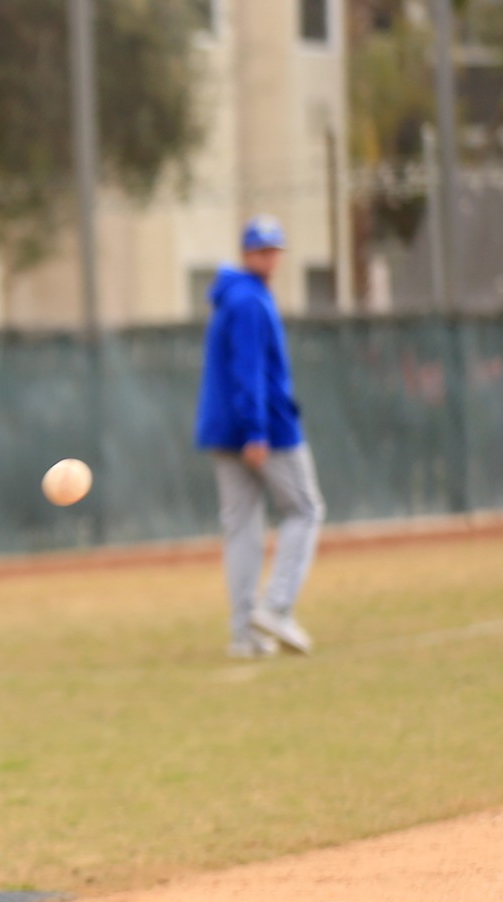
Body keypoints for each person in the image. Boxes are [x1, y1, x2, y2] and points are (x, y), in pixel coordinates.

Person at [196, 215, 323, 659]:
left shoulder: (233, 296)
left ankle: (244, 634)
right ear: (247, 252)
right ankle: (276, 608)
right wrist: (255, 431)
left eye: (274, 250)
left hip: (224, 429)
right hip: (262, 428)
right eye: (261, 250)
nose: (269, 258)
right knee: (305, 510)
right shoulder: (249, 301)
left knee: (243, 528)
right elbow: (248, 372)